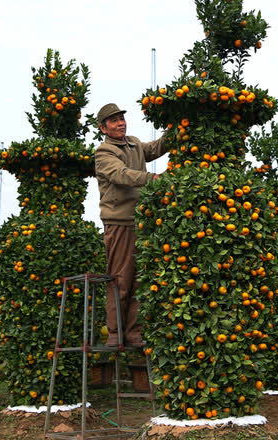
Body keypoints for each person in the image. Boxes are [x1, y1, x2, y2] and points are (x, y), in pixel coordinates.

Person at [94, 103, 168, 347]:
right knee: (120, 279)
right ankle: (115, 334)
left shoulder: (134, 144)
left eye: (122, 119)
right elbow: (122, 175)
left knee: (139, 280)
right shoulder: (104, 152)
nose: (120, 123)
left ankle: (134, 332)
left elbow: (155, 148)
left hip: (140, 221)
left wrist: (175, 132)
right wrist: (152, 178)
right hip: (119, 222)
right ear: (103, 127)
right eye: (114, 121)